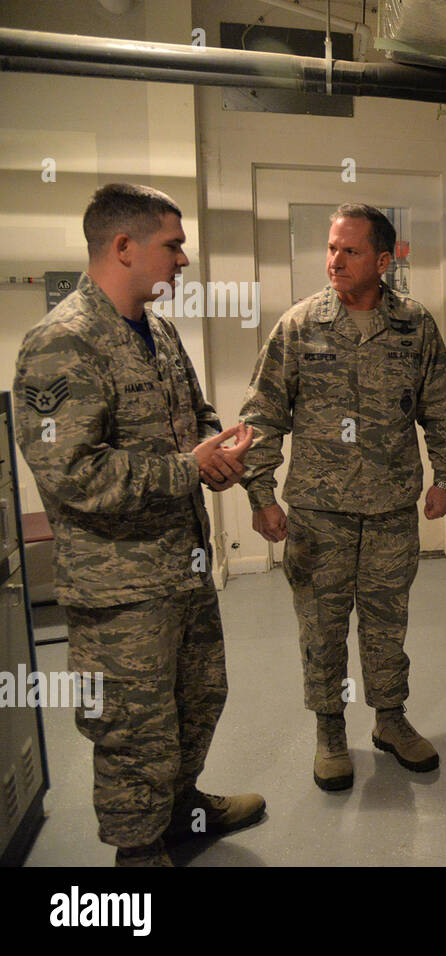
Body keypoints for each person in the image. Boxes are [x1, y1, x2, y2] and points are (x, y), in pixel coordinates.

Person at [13, 183, 266, 867]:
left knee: (198, 698)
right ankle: (137, 857)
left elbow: (197, 410)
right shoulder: (62, 345)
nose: (183, 259)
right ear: (123, 247)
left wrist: (217, 449)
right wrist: (190, 469)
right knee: (132, 730)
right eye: (173, 245)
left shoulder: (158, 331)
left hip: (182, 572)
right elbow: (71, 474)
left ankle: (181, 811)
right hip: (120, 591)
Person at [239, 203, 446, 791]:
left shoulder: (416, 326)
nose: (334, 260)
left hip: (392, 509)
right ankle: (329, 730)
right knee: (321, 625)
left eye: (349, 250)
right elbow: (262, 413)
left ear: (384, 261)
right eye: (331, 248)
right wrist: (260, 493)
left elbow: (441, 406)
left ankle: (390, 721)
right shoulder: (299, 326)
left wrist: (445, 477)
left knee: (387, 622)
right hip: (319, 512)